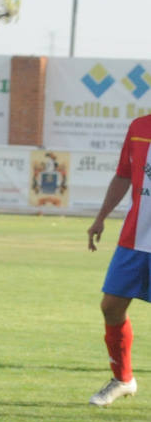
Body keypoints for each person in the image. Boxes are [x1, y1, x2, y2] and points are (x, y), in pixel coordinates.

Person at [85, 114, 151, 406]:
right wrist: (100, 218)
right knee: (111, 306)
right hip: (135, 238)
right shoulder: (139, 127)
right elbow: (124, 175)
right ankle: (123, 379)